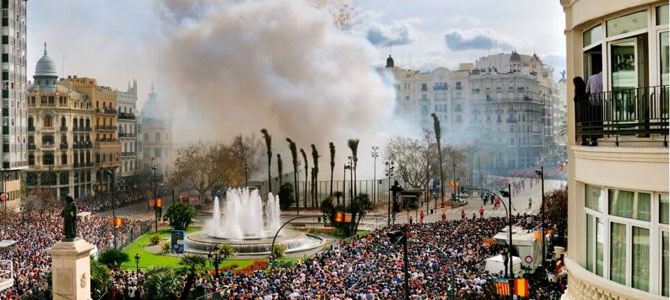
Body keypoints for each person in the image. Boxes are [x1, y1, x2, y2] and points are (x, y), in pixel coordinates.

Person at [573, 76, 590, 146]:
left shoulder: (577, 90)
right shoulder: (585, 87)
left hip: (581, 109)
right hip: (587, 108)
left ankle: (584, 140)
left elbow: (575, 98)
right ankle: (590, 139)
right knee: (587, 124)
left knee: (583, 125)